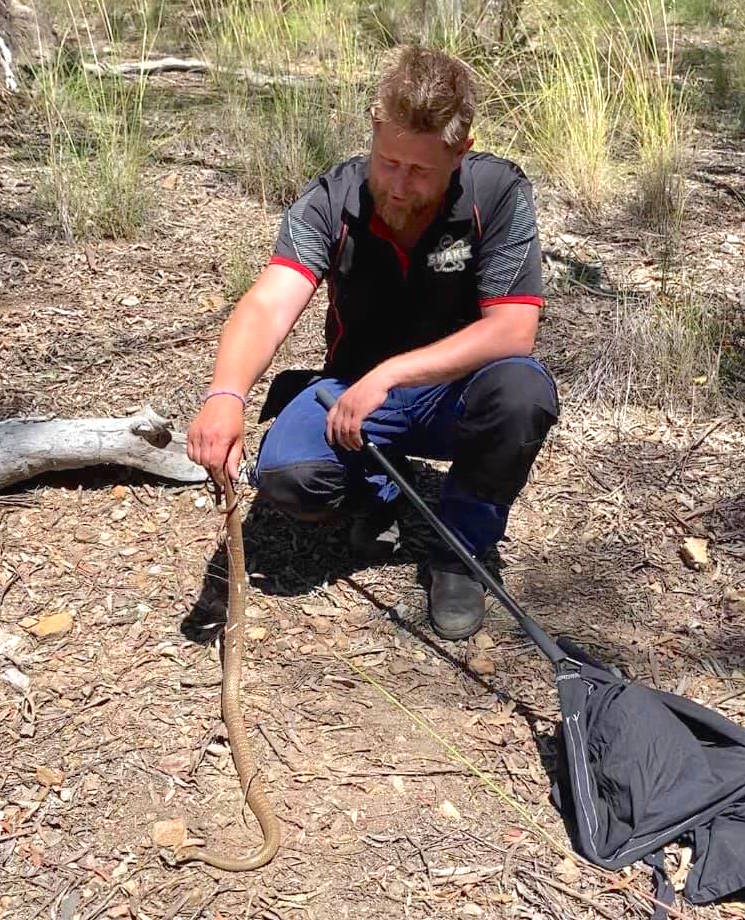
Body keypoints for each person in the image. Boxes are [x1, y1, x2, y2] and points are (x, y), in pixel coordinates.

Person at [187, 45, 559, 642]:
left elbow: (512, 331)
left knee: (522, 392)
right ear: (374, 127)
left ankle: (460, 550)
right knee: (287, 476)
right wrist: (226, 394)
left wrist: (392, 374)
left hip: (453, 396)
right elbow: (268, 302)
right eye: (388, 163)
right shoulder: (332, 199)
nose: (399, 185)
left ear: (460, 153)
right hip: (352, 397)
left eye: (420, 171)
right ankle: (379, 491)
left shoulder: (497, 194)